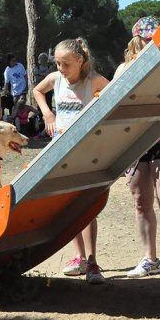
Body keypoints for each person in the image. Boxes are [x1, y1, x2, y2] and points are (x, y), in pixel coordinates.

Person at [33, 37, 109, 284]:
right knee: (69, 207)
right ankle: (79, 258)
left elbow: (117, 97)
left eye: (66, 64)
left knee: (86, 208)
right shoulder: (56, 80)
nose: (61, 69)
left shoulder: (94, 81)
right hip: (60, 151)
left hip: (86, 154)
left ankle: (93, 261)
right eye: (57, 63)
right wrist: (47, 112)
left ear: (80, 60)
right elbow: (37, 90)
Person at [115, 26, 160, 282]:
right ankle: (150, 259)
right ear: (137, 41)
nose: (151, 45)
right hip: (135, 142)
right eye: (147, 40)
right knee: (141, 201)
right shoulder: (124, 71)